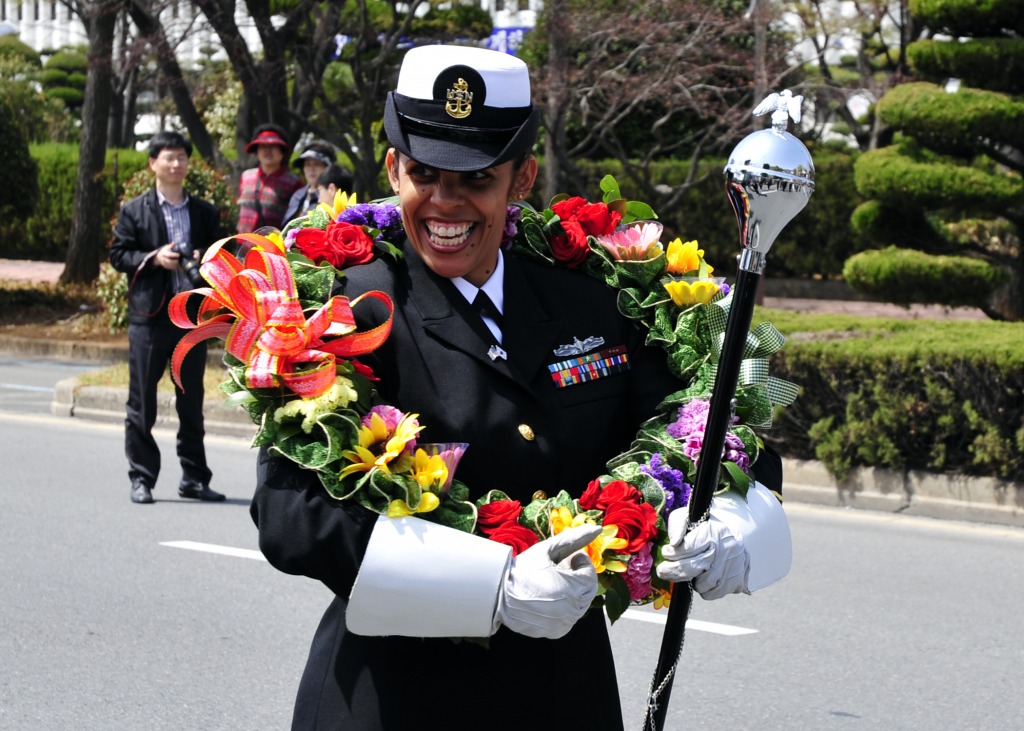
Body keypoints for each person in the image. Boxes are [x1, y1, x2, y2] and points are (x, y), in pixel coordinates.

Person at [251, 45, 784, 729]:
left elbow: (722, 430)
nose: (446, 202)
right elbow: (290, 513)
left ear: (522, 177)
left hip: (561, 695)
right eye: (423, 174)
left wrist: (726, 523)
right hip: (391, 700)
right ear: (392, 169)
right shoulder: (347, 310)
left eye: (475, 178)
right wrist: (491, 587)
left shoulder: (593, 301)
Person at [109, 131, 225, 505]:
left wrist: (200, 255)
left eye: (181, 158)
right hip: (150, 318)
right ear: (153, 164)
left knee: (191, 400)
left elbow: (222, 255)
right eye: (168, 158)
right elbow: (118, 255)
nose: (176, 164)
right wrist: (154, 257)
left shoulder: (204, 212)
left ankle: (194, 477)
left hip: (191, 319)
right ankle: (141, 477)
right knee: (141, 402)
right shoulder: (134, 210)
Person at [236, 123, 303, 233]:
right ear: (256, 151)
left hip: (273, 245)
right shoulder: (245, 176)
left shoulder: (294, 183)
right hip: (243, 243)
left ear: (282, 151)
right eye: (262, 146)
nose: (267, 151)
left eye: (272, 146)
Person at [283, 139, 338, 224]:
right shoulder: (297, 195)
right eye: (307, 164)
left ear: (328, 167)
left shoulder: (332, 195)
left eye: (317, 164)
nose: (311, 169)